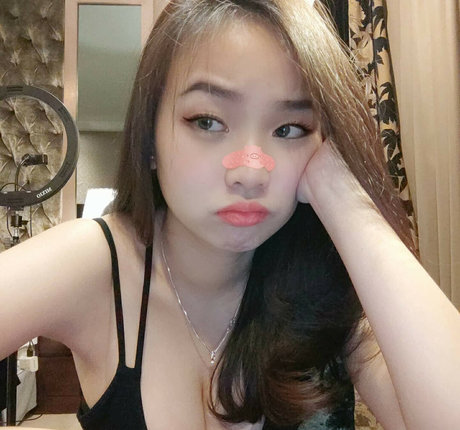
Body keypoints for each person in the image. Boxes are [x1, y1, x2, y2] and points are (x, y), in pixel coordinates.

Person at [1, 0, 459, 429]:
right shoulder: (96, 263)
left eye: (289, 128)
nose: (251, 173)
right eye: (208, 122)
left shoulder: (325, 283)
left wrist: (346, 199)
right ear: (150, 138)